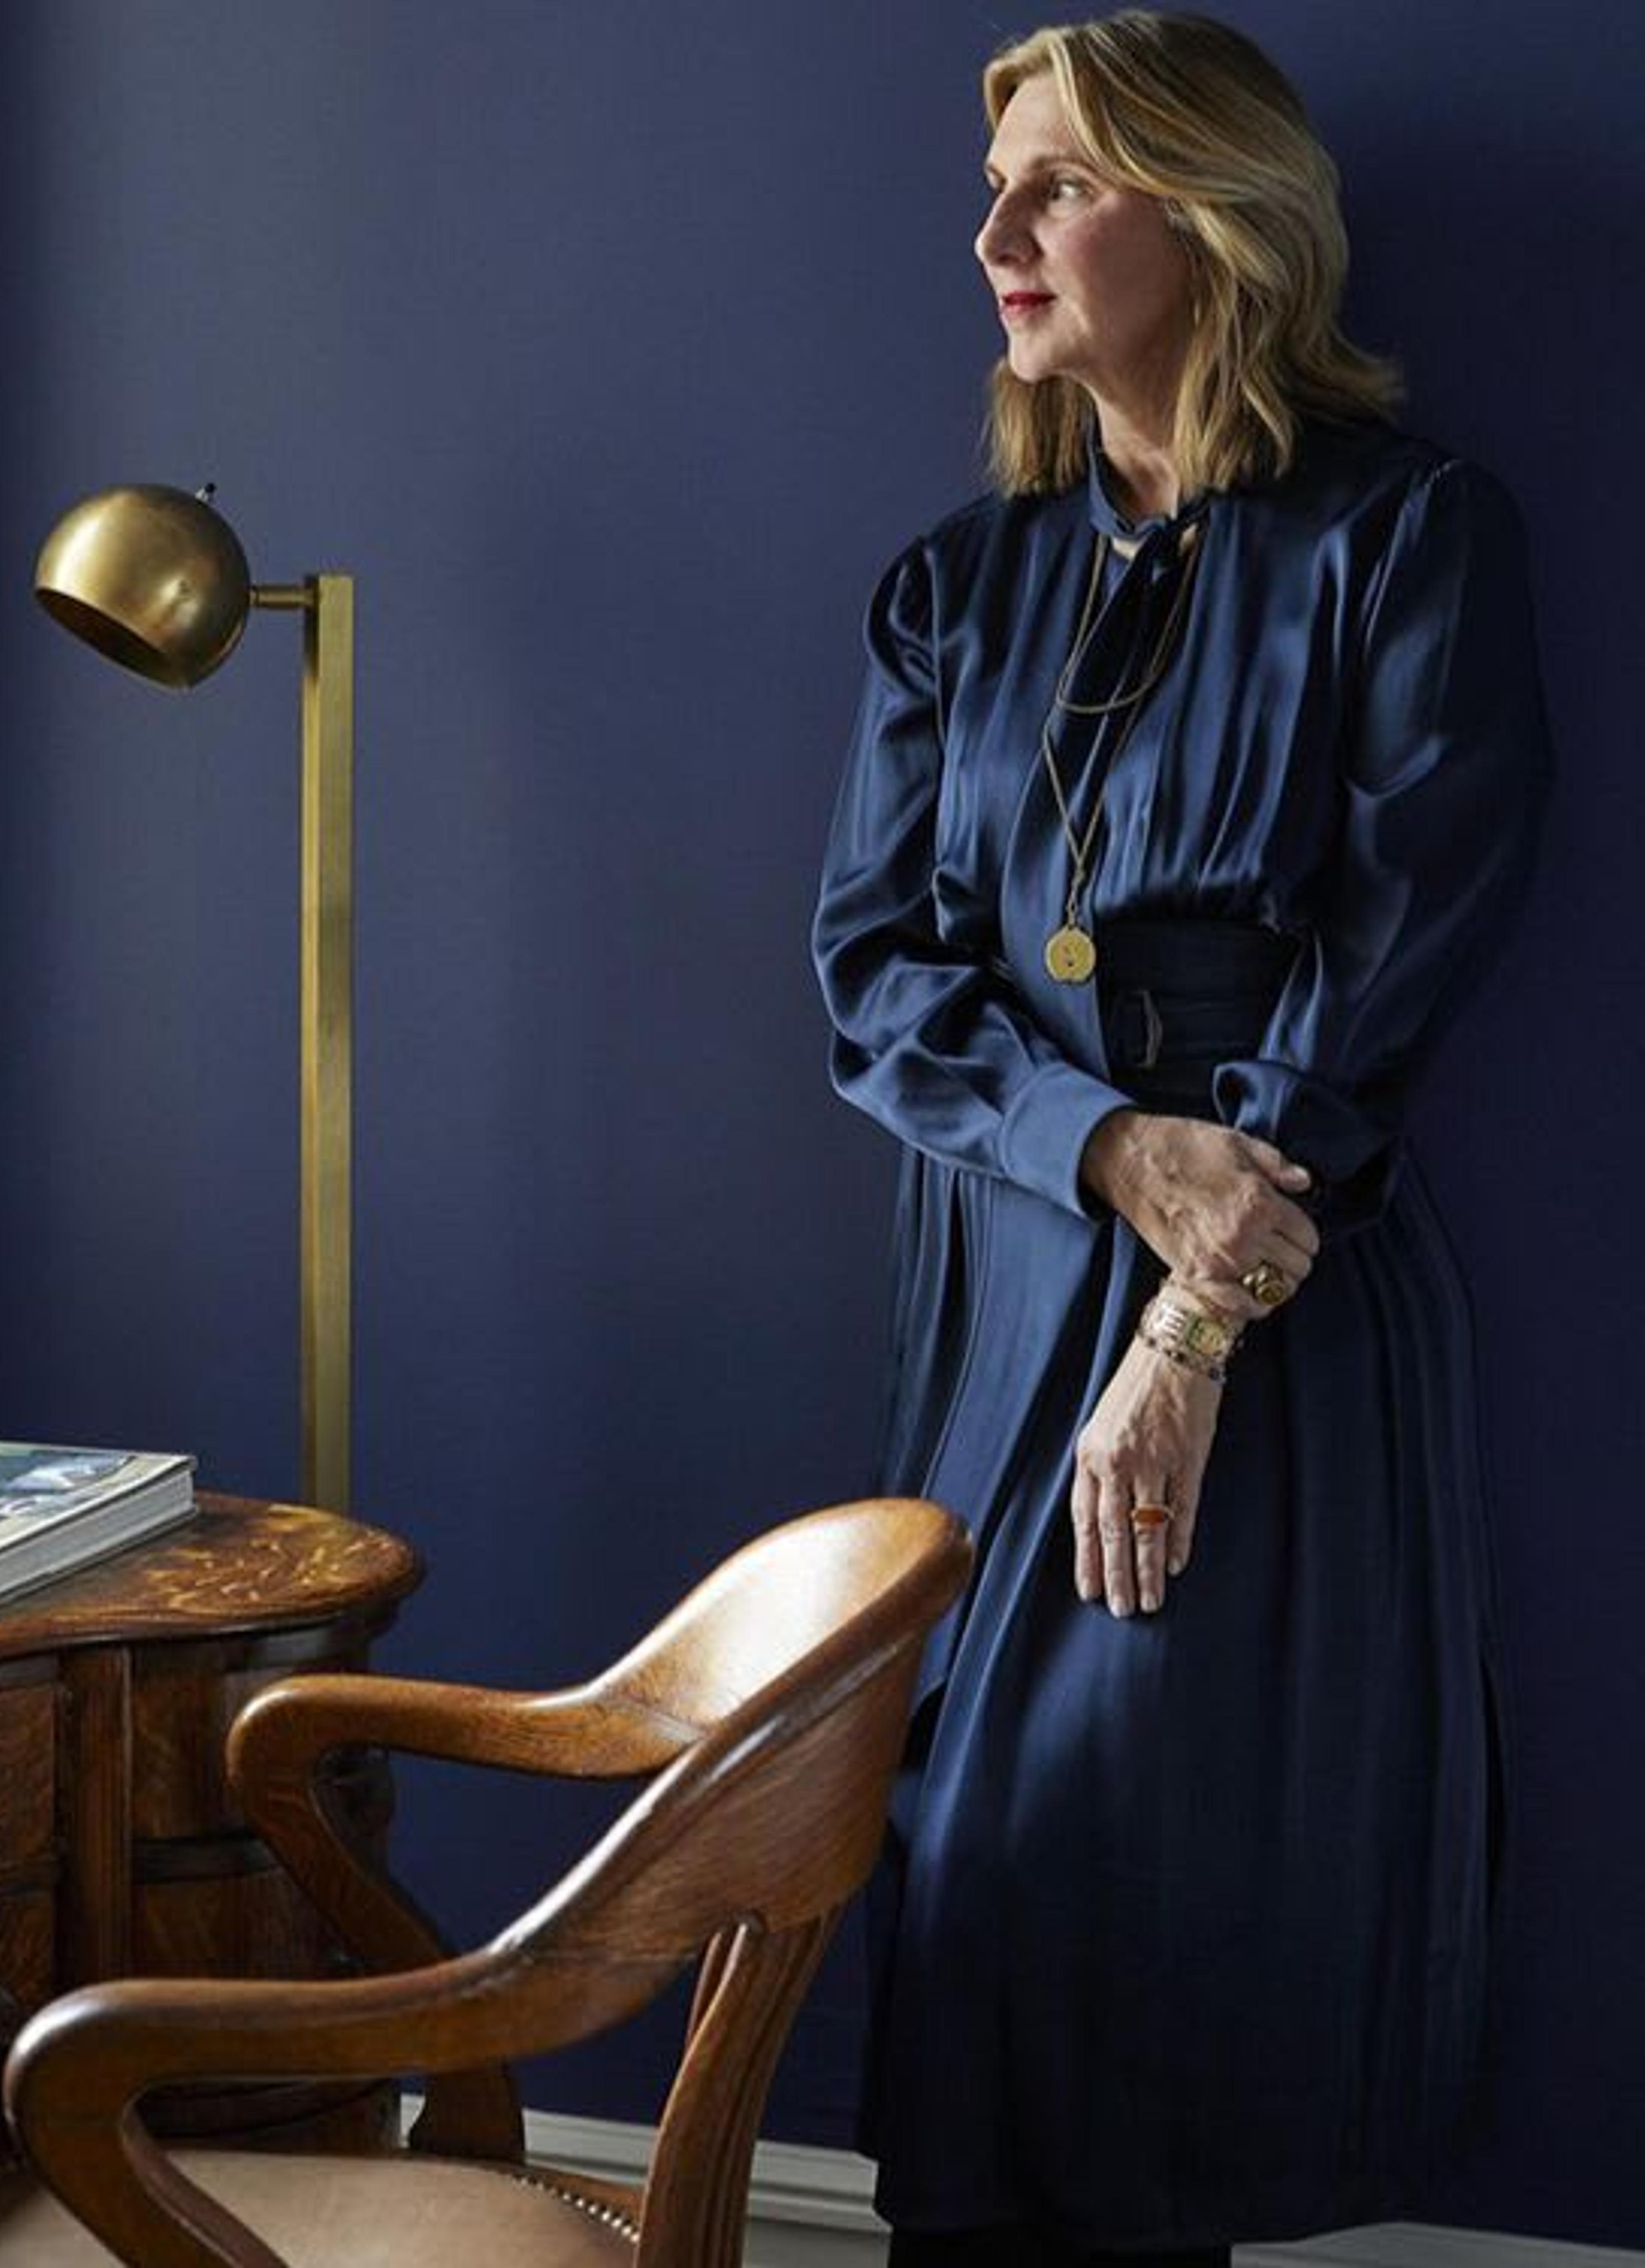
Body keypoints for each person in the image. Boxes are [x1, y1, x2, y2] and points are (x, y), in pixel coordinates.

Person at [809, 13, 1550, 2266]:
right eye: (995, 188)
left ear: (1218, 220)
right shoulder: (959, 583)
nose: (996, 233)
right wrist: (1105, 1147)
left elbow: (1389, 968)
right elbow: (877, 972)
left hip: (1270, 1295)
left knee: (1150, 1898)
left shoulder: (1407, 539)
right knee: (965, 1869)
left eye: (1058, 184)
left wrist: (1193, 1320)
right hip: (1010, 1282)